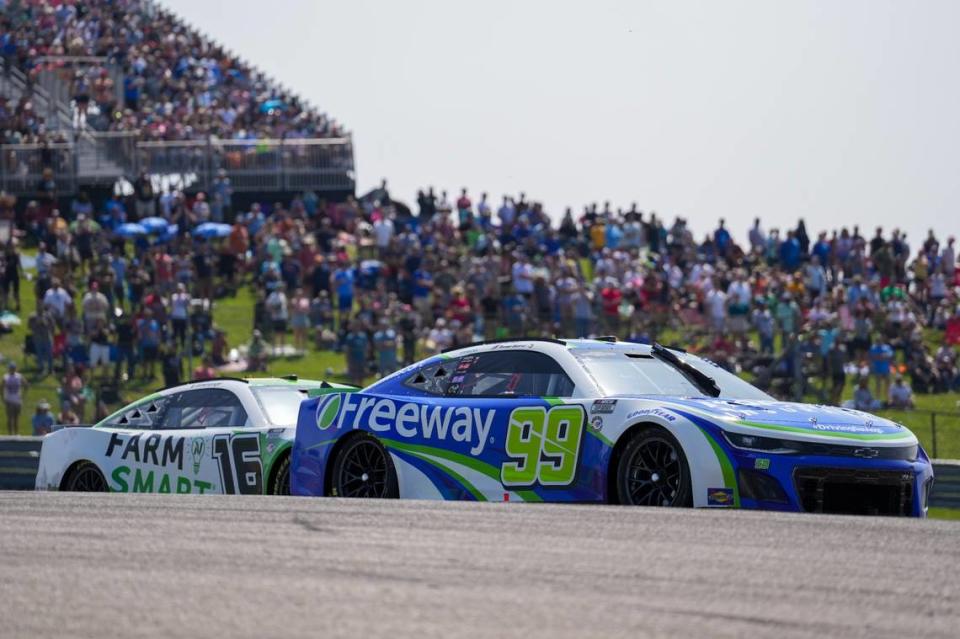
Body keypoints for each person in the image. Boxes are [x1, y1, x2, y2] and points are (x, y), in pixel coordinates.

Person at [3, 362, 26, 435]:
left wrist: (23, 396)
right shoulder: (5, 377)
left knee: (16, 419)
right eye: (11, 368)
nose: (12, 369)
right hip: (9, 400)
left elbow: (26, 385)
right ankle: (10, 434)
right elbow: (1, 387)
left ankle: (16, 433)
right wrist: (3, 398)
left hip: (17, 400)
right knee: (10, 418)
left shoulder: (19, 376)